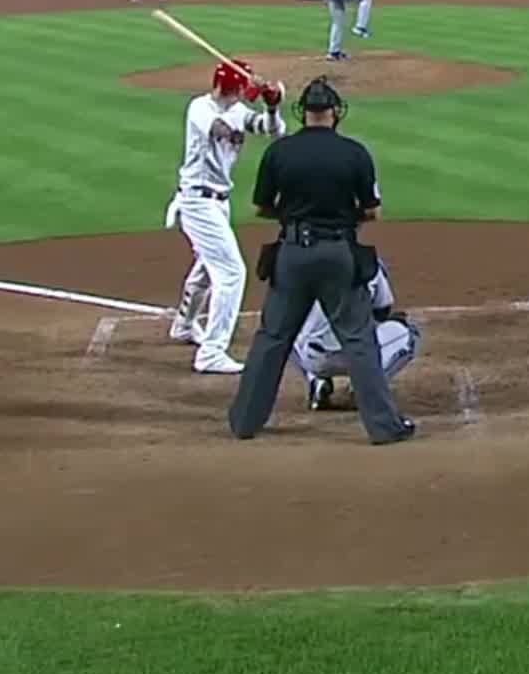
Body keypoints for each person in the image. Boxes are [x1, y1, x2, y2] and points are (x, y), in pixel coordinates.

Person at [230, 77, 415, 444]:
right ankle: (383, 427)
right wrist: (343, 217)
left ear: (303, 113)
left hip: (292, 253)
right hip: (337, 254)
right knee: (359, 340)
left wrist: (293, 217)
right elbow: (373, 211)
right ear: (334, 112)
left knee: (272, 337)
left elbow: (262, 207)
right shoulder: (354, 153)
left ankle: (244, 422)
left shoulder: (280, 152)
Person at [165, 60, 287, 374]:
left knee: (208, 266)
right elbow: (220, 129)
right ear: (228, 88)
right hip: (197, 201)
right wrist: (257, 92)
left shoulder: (236, 109)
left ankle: (184, 324)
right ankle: (211, 352)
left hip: (218, 202)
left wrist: (272, 107)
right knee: (231, 273)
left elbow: (273, 133)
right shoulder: (200, 108)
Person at [291, 259, 420, 411]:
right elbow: (382, 311)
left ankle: (316, 381)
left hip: (314, 359)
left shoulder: (300, 264)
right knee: (409, 332)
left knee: (284, 330)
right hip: (359, 355)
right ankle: (365, 388)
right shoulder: (368, 261)